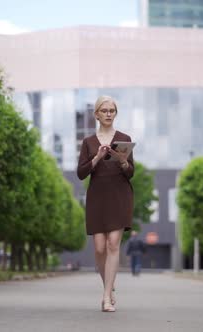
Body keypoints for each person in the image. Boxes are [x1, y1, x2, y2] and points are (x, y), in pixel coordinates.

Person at [77, 95, 134, 313]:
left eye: (112, 110)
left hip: (119, 195)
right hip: (97, 196)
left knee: (113, 245)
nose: (109, 114)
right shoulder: (88, 142)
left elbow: (131, 173)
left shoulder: (124, 138)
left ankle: (106, 297)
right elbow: (81, 173)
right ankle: (109, 286)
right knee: (99, 248)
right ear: (97, 114)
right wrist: (97, 158)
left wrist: (122, 160)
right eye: (105, 110)